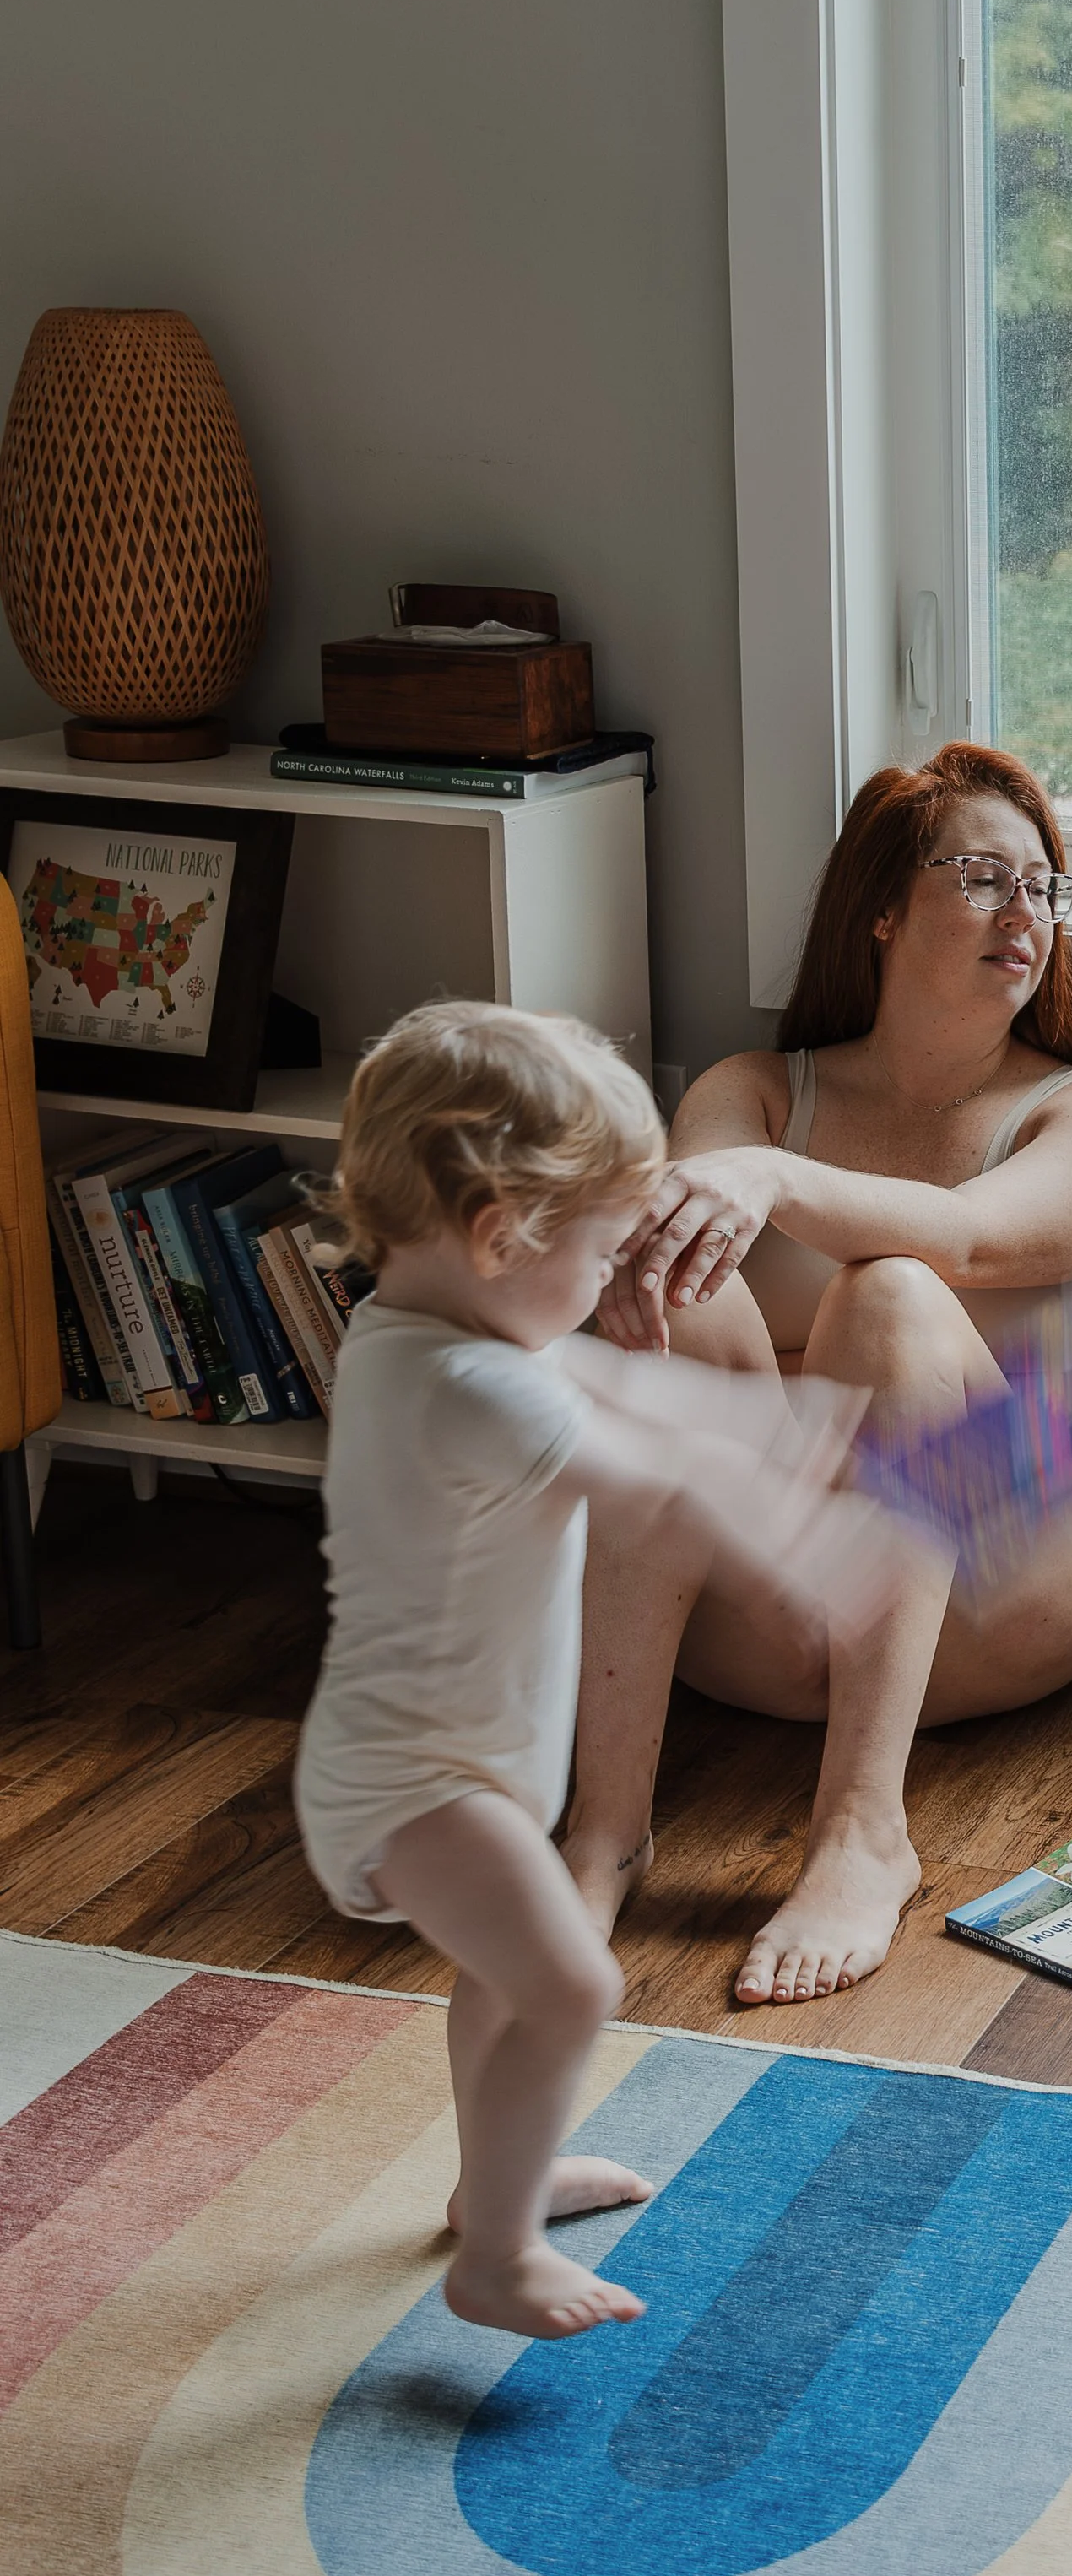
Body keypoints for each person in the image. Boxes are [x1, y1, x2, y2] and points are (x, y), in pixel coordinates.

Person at [294, 1000, 891, 2338]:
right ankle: (496, 2258)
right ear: (504, 1238)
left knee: (501, 1975)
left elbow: (639, 1400)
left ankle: (491, 2180)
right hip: (414, 1784)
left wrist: (772, 1433)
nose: (615, 1276)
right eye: (606, 1246)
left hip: (453, 1763)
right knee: (573, 1984)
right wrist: (798, 1540)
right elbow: (648, 1479)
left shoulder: (437, 1338)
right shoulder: (473, 1389)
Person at [572, 741, 1072, 2006]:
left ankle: (863, 1834)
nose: (1027, 914)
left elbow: (967, 1238)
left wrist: (778, 1182)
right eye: (986, 877)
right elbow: (680, 1270)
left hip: (995, 1605)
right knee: (670, 1307)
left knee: (890, 1291)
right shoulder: (752, 1092)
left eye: (1046, 889)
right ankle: (601, 1828)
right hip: (768, 1607)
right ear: (883, 907)